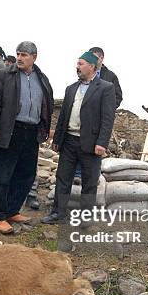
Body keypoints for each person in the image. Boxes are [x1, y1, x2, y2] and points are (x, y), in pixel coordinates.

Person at [0, 41, 54, 234]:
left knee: (25, 174)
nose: (20, 58)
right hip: (10, 130)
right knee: (3, 175)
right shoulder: (5, 75)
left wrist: (45, 128)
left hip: (32, 132)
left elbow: (47, 105)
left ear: (34, 57)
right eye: (18, 54)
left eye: (24, 55)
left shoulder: (42, 79)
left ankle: (12, 210)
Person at [42, 52, 116, 224]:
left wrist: (102, 143)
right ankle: (58, 213)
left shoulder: (105, 88)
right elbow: (63, 117)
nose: (77, 67)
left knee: (89, 182)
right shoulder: (71, 88)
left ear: (91, 66)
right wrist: (57, 140)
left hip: (91, 143)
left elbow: (107, 118)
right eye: (77, 64)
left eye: (81, 64)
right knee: (63, 177)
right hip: (69, 140)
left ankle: (85, 217)